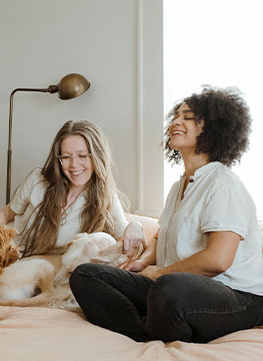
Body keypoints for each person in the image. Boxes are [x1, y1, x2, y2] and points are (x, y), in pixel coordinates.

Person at [69, 87, 263, 344]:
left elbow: (218, 260)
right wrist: (143, 262)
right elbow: (161, 237)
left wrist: (160, 273)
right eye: (176, 116)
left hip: (236, 296)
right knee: (86, 276)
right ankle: (146, 332)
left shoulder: (222, 184)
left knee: (169, 289)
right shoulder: (179, 187)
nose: (176, 122)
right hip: (172, 285)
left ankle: (157, 323)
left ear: (213, 128)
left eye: (188, 117)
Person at [0, 120, 143, 257]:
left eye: (82, 156)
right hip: (9, 256)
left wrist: (136, 226)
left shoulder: (105, 196)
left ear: (97, 156)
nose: (74, 165)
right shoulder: (37, 179)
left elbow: (125, 238)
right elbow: (7, 213)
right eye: (66, 157)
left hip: (48, 269)